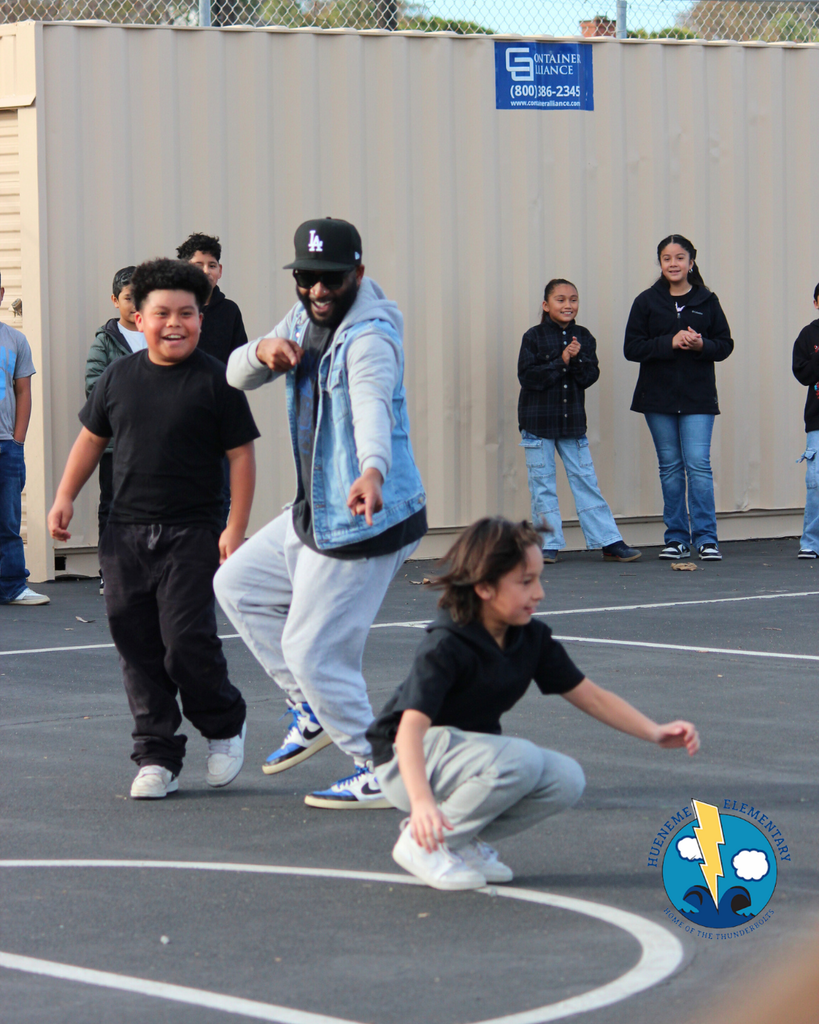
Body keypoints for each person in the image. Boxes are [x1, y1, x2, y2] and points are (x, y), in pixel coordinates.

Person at [214, 217, 427, 810]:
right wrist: (260, 351)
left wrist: (373, 469)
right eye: (307, 278)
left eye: (332, 279)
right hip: (317, 506)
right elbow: (235, 374)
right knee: (238, 584)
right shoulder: (303, 317)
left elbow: (370, 406)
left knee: (313, 650)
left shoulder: (370, 337)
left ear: (357, 273)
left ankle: (379, 766)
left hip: (364, 513)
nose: (318, 291)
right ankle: (308, 705)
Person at [367, 517, 700, 891]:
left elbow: (591, 697)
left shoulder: (530, 638)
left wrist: (654, 732)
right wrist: (422, 802)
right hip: (405, 762)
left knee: (565, 778)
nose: (538, 592)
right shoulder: (447, 644)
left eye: (538, 579)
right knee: (520, 759)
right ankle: (423, 842)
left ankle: (459, 840)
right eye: (525, 582)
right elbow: (410, 729)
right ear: (484, 587)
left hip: (459, 760)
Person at [47, 259, 259, 800]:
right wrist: (65, 496)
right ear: (137, 319)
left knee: (187, 639)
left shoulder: (218, 380)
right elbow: (91, 441)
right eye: (161, 313)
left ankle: (223, 724)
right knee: (135, 641)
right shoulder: (119, 377)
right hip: (125, 532)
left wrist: (235, 527)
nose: (173, 323)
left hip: (194, 530)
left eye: (185, 313)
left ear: (200, 319)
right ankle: (157, 755)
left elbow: (241, 456)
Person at [624, 235, 734, 561]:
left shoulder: (707, 300)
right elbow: (632, 348)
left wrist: (703, 346)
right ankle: (676, 537)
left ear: (691, 261)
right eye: (667, 258)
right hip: (657, 399)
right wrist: (668, 342)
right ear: (659, 263)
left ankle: (706, 538)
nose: (673, 264)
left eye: (680, 257)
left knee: (698, 465)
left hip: (698, 399)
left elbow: (725, 344)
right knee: (670, 467)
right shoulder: (646, 301)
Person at [518, 279, 641, 564]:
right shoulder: (533, 337)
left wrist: (575, 360)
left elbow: (589, 377)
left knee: (586, 481)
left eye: (573, 299)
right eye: (560, 300)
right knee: (542, 484)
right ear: (546, 305)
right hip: (537, 425)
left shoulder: (583, 337)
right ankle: (548, 544)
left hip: (572, 425)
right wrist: (561, 359)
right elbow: (529, 378)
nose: (568, 305)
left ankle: (609, 541)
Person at [177, 233, 249, 528]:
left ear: (220, 270)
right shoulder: (173, 309)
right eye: (197, 264)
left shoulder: (229, 311)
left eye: (212, 264)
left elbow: (241, 362)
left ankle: (213, 565)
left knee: (220, 495)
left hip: (219, 416)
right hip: (179, 415)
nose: (205, 271)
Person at [85, 266, 144, 594]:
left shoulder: (161, 333)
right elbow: (94, 387)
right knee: (113, 505)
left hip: (157, 443)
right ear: (114, 300)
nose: (135, 303)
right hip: (116, 443)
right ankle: (111, 569)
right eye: (127, 297)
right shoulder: (105, 341)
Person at [0, 273, 49, 606]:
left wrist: (18, 442)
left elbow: (24, 392)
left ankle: (13, 586)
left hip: (6, 445)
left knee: (7, 519)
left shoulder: (15, 340)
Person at [791, 284, 819, 559]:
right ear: (815, 303)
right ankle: (811, 542)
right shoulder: (808, 335)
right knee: (817, 482)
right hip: (818, 421)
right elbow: (803, 374)